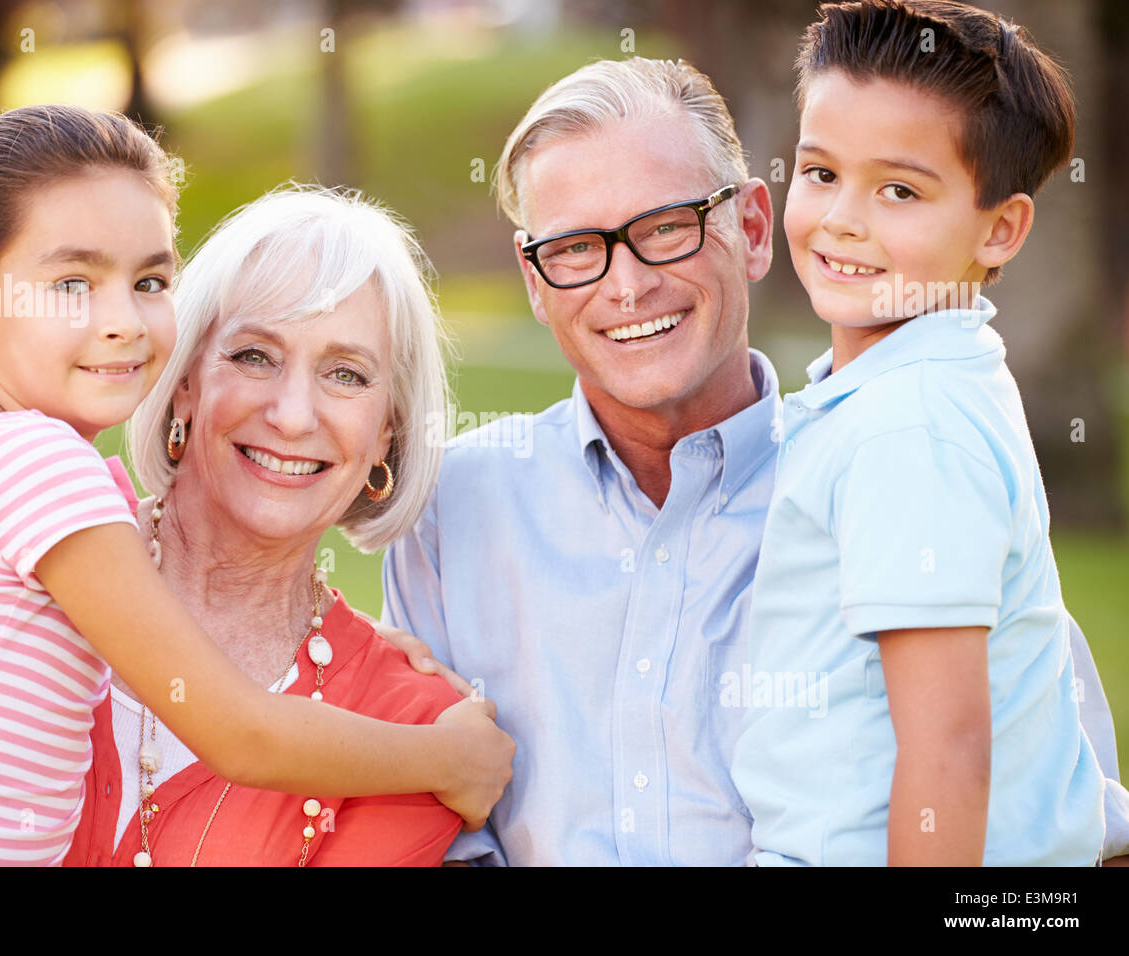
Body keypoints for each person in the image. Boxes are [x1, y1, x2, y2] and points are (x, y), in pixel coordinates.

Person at [380, 56, 1129, 865]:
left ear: (751, 228)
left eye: (665, 227)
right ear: (534, 281)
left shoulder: (887, 477)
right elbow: (419, 826)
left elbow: (1069, 825)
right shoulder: (449, 511)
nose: (626, 285)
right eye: (573, 249)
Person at [0, 106, 511, 866]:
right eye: (72, 284)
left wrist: (349, 641)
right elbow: (242, 733)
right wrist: (452, 759)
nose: (120, 320)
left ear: (388, 430)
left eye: (149, 280)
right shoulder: (45, 474)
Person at [730, 0, 1103, 866]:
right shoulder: (916, 386)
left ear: (999, 229)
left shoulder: (909, 428)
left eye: (899, 190)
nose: (844, 219)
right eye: (821, 173)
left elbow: (949, 752)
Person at [64, 186, 472, 866]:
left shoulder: (413, 732)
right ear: (185, 381)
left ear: (384, 435)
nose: (291, 415)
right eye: (255, 355)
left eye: (345, 374)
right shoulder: (32, 566)